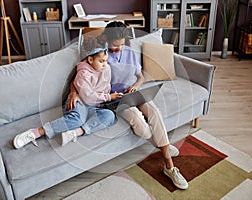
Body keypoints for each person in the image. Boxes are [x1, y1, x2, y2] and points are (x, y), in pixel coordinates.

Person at [67, 22, 188, 190]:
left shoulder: (130, 52)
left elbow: (141, 76)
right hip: (116, 99)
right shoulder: (99, 55)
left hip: (135, 92)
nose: (119, 48)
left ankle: (169, 166)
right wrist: (73, 92)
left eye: (122, 44)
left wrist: (137, 86)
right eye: (115, 45)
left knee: (154, 112)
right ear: (105, 39)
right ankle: (163, 145)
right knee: (140, 124)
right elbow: (79, 76)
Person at [13, 38, 122, 149]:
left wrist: (114, 97)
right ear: (90, 59)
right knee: (77, 120)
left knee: (109, 116)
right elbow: (88, 98)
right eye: (101, 61)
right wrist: (108, 97)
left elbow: (105, 88)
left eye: (106, 60)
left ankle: (75, 133)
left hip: (96, 106)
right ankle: (36, 132)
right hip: (81, 102)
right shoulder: (83, 73)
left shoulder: (106, 69)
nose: (105, 64)